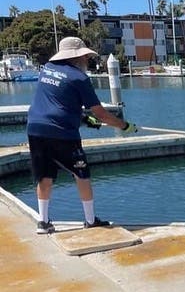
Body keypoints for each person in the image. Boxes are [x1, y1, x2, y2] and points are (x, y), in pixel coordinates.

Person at [27, 37, 138, 234]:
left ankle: (43, 223)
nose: (87, 60)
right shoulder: (79, 78)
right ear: (76, 58)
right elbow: (101, 113)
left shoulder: (46, 70)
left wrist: (85, 120)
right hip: (62, 133)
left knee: (44, 175)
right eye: (86, 57)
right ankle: (90, 220)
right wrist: (125, 126)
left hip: (35, 128)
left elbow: (59, 102)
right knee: (81, 174)